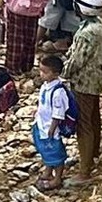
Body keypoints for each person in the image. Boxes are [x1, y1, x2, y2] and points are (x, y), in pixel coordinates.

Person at [65, 0, 102, 182]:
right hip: (97, 79)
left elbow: (76, 61)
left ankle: (84, 171)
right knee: (93, 118)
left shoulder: (85, 33)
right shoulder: (101, 24)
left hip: (83, 83)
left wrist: (62, 73)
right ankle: (92, 155)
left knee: (84, 125)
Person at [32, 55, 74, 191]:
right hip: (42, 123)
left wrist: (53, 127)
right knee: (45, 149)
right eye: (41, 70)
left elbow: (58, 113)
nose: (41, 74)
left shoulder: (58, 92)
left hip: (50, 127)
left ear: (56, 74)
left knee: (55, 151)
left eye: (45, 72)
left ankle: (57, 177)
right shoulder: (46, 86)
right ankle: (48, 170)